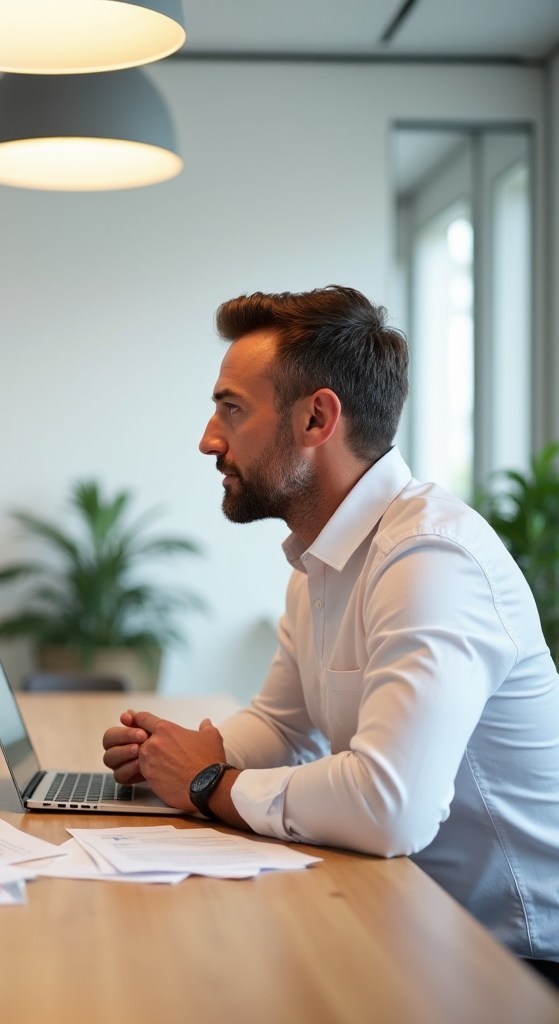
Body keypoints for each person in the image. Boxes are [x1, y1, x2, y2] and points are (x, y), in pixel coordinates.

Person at [102, 286, 559, 981]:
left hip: (516, 956)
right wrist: (188, 752)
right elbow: (284, 727)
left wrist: (207, 782)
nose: (208, 439)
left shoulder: (432, 560)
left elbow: (390, 807)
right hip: (412, 918)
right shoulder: (323, 559)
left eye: (232, 408)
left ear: (317, 418)